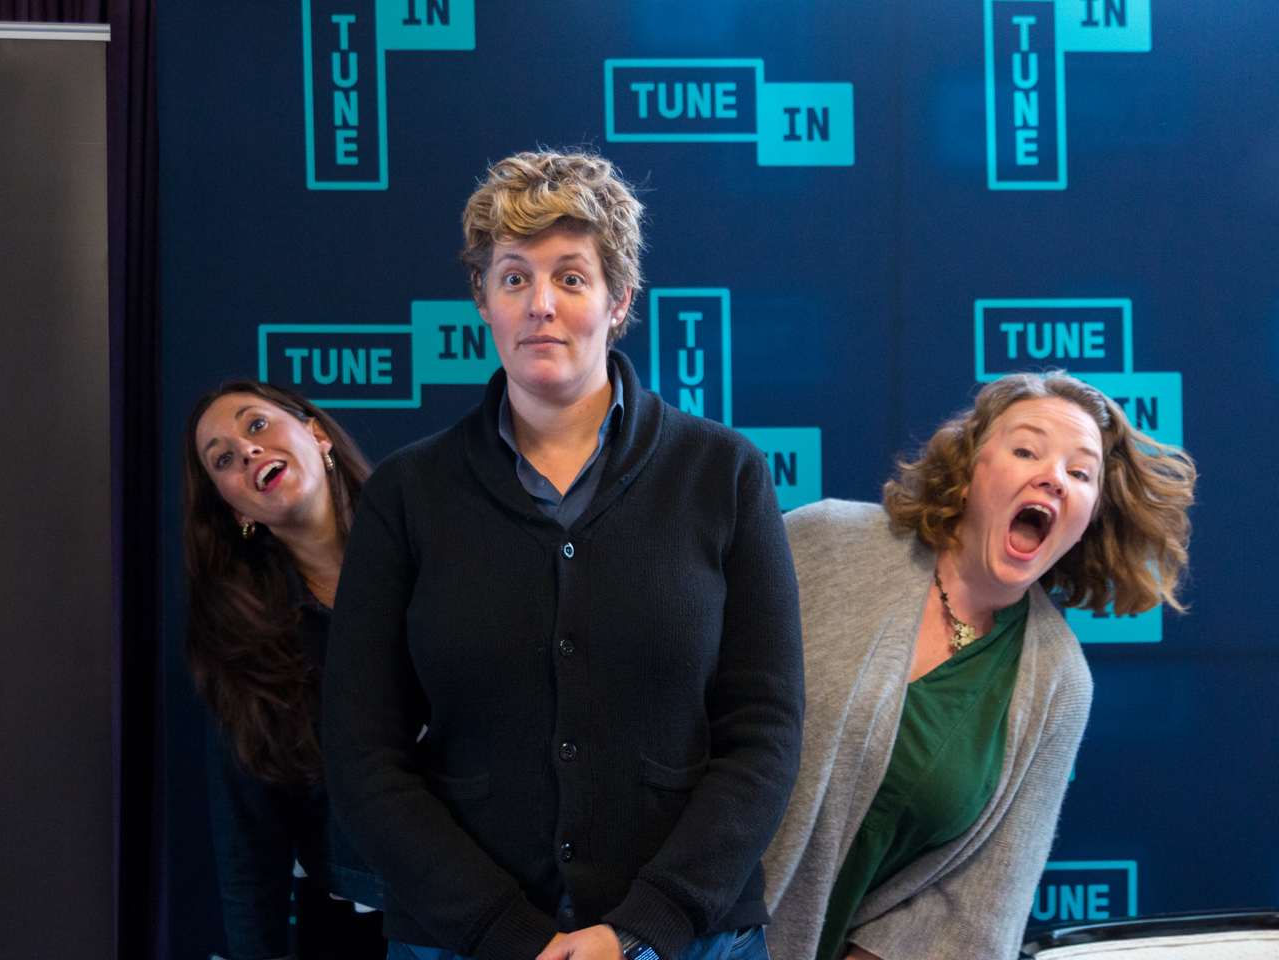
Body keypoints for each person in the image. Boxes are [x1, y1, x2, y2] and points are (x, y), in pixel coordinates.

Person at [322, 150, 805, 960]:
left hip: (687, 942)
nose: (541, 304)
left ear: (619, 301)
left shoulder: (725, 475)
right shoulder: (407, 494)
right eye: (514, 278)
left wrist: (645, 926)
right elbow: (362, 755)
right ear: (482, 300)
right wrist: (505, 934)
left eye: (571, 278)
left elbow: (766, 736)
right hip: (460, 942)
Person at [761, 373, 1197, 960]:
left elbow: (968, 912)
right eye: (1025, 450)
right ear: (968, 471)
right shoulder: (825, 541)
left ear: (1092, 514)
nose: (1053, 477)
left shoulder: (1057, 682)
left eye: (1080, 472)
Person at [184, 380, 387, 960]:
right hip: (360, 922)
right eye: (222, 459)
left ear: (317, 434)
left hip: (506, 907)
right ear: (233, 506)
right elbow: (248, 837)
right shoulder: (244, 641)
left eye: (256, 426)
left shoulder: (435, 548)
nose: (247, 451)